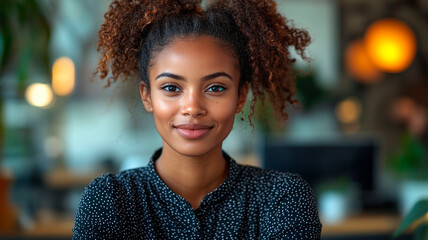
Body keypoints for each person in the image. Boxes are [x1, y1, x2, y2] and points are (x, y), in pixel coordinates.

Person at [72, 0, 322, 239]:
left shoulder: (282, 199)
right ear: (147, 96)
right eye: (171, 88)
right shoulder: (109, 199)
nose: (192, 108)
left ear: (240, 96)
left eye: (215, 88)